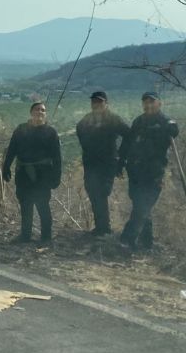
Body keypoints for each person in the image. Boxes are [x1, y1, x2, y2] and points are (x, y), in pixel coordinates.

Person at [118, 91, 179, 251]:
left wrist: (172, 127)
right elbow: (128, 143)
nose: (148, 105)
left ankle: (126, 239)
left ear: (159, 103)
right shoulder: (138, 121)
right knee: (140, 204)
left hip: (153, 173)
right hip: (135, 172)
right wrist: (120, 162)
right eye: (145, 102)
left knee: (142, 206)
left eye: (152, 101)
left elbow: (174, 128)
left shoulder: (165, 121)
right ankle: (147, 243)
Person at [2, 102, 62, 245]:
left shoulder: (50, 132)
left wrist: (56, 176)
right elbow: (11, 150)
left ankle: (46, 238)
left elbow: (57, 157)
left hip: (43, 175)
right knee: (25, 205)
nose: (40, 112)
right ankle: (25, 236)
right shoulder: (20, 130)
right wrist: (6, 167)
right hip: (23, 174)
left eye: (43, 110)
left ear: (45, 114)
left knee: (43, 206)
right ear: (31, 112)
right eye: (37, 109)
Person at [76, 91, 130, 236]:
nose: (96, 104)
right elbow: (79, 129)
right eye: (94, 102)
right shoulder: (87, 119)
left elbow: (128, 135)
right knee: (92, 192)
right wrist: (88, 148)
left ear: (106, 103)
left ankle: (104, 228)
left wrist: (121, 155)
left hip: (108, 163)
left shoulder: (113, 119)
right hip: (91, 163)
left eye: (100, 102)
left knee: (102, 192)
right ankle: (101, 227)